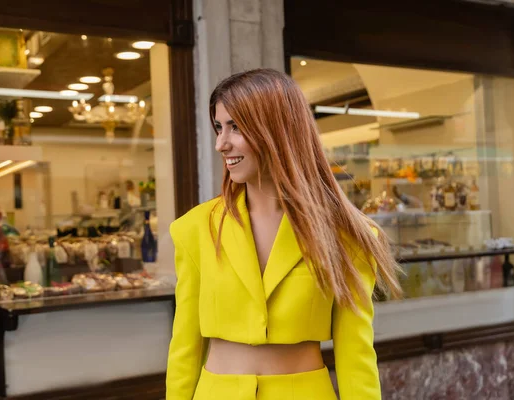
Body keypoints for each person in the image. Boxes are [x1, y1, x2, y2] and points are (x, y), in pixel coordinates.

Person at [166, 69, 401, 399]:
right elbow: (184, 349)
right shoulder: (194, 229)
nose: (221, 143)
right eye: (219, 127)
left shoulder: (346, 235)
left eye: (235, 127)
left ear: (276, 130)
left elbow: (355, 356)